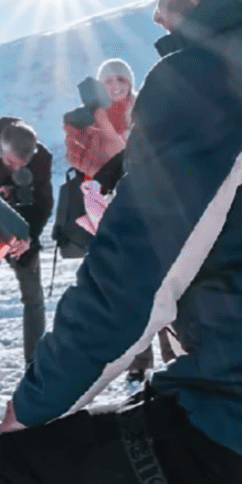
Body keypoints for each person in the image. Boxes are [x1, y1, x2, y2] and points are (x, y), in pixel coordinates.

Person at [0, 0, 242, 484]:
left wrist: (29, 409)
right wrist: (116, 169)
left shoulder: (212, 72)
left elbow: (130, 286)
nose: (157, 8)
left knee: (5, 474)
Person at [96, 57, 180, 387]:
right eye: (108, 81)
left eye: (121, 78)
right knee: (135, 296)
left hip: (158, 210)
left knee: (168, 288)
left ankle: (174, 353)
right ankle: (139, 361)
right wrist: (97, 223)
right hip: (120, 216)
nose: (116, 85)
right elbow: (90, 177)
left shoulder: (146, 107)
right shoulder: (94, 120)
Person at [0, 117, 52, 396]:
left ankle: (35, 363)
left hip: (22, 235)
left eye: (22, 165)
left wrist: (30, 237)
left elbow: (43, 203)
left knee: (34, 299)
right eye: (10, 163)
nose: (16, 168)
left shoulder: (42, 160)